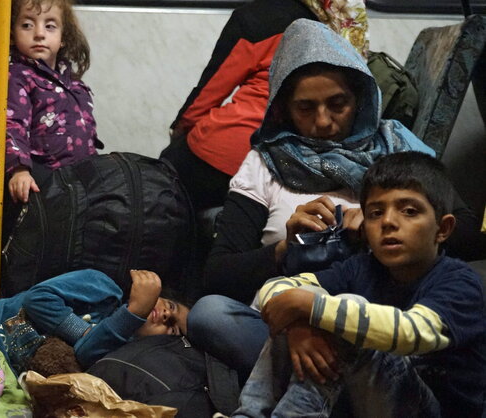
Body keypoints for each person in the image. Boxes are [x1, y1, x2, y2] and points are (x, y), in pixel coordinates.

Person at [198, 18, 485, 306]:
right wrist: (287, 248)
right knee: (212, 312)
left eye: (338, 105)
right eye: (305, 108)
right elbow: (219, 275)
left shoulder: (397, 148)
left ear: (360, 99)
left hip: (383, 311)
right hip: (290, 311)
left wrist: (378, 228)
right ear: (283, 109)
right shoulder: (267, 162)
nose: (323, 122)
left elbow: (468, 237)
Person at [229, 151, 485, 417]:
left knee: (346, 310)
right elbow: (273, 290)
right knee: (298, 305)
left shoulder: (460, 283)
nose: (388, 222)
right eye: (375, 213)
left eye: (409, 211)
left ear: (443, 229)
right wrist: (298, 325)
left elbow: (411, 333)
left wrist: (313, 308)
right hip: (363, 403)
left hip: (429, 410)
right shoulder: (362, 267)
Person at [161, 0, 368, 211]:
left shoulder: (258, 18)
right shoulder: (346, 20)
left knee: (163, 175)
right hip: (304, 164)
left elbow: (208, 94)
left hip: (231, 152)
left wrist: (179, 132)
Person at [0, 269, 190, 372]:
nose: (167, 315)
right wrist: (84, 333)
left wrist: (133, 315)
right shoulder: (103, 289)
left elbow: (85, 354)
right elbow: (37, 299)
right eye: (171, 306)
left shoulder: (120, 356)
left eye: (173, 329)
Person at [5, 0, 102, 204]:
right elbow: (12, 125)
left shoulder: (74, 83)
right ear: (12, 34)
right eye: (27, 25)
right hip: (45, 181)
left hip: (81, 180)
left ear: (63, 38)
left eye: (50, 26)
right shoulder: (17, 76)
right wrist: (19, 169)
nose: (39, 34)